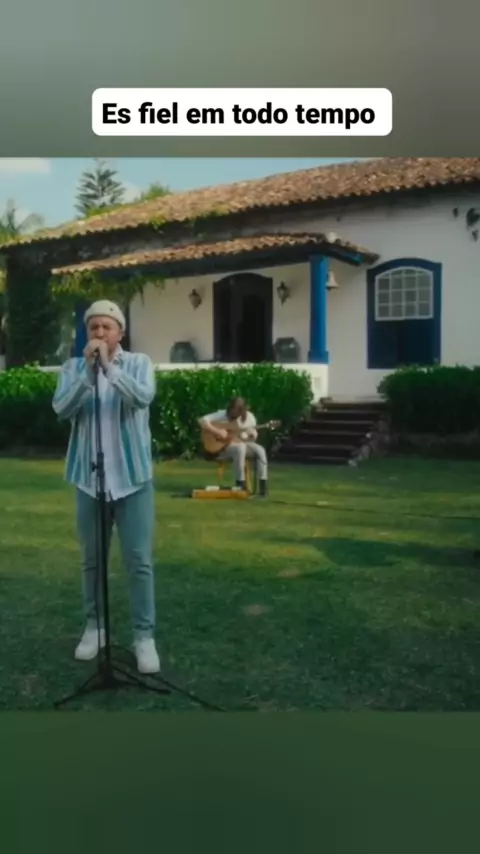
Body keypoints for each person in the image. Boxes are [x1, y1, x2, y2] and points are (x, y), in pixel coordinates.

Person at [52, 299, 160, 674]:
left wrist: (110, 369)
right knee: (92, 561)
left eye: (106, 327)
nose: (99, 333)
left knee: (139, 561)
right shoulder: (73, 368)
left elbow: (142, 397)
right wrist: (88, 374)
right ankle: (94, 628)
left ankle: (144, 637)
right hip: (89, 479)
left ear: (120, 333)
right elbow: (61, 409)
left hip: (132, 480)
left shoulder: (139, 364)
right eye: (93, 327)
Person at [199, 396, 268, 496]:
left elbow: (252, 436)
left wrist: (251, 436)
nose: (233, 414)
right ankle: (240, 483)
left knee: (260, 450)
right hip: (224, 448)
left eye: (236, 412)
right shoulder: (222, 414)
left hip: (241, 442)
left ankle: (263, 487)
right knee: (240, 448)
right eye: (232, 410)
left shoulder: (250, 418)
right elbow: (202, 420)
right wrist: (217, 431)